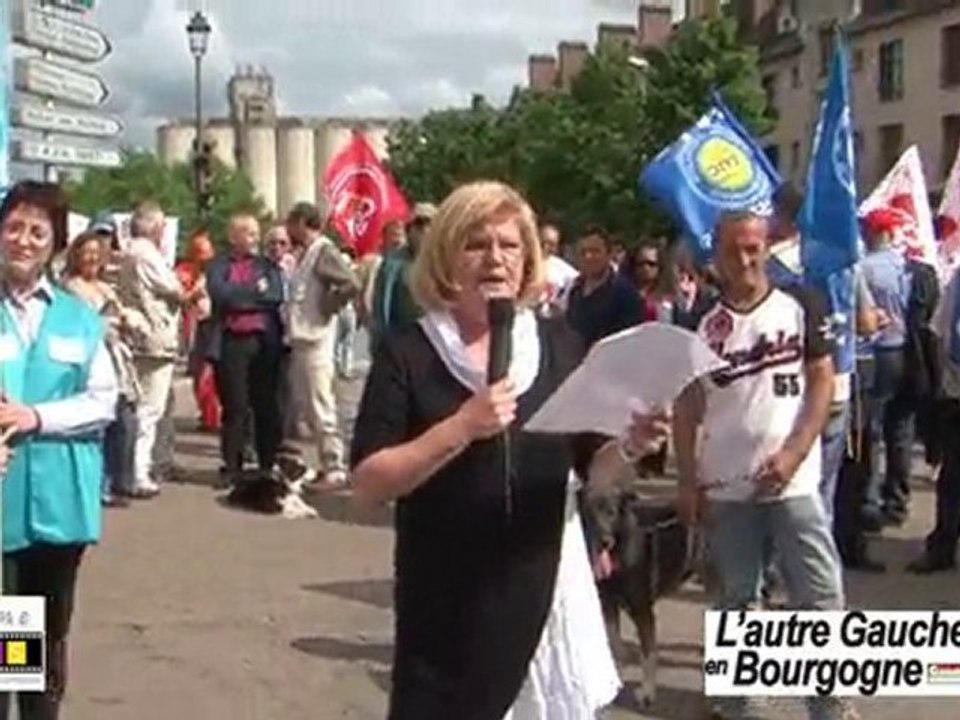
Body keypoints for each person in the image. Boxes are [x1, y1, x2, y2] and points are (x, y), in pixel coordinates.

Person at [350, 180, 669, 720]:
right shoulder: (409, 353)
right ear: (446, 258)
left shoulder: (558, 344)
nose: (494, 258)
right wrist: (460, 428)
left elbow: (593, 470)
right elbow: (367, 483)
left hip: (541, 590)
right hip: (446, 599)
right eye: (476, 244)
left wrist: (630, 445)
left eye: (509, 245)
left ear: (527, 260)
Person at [673, 210, 854, 720]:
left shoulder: (801, 305)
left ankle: (829, 703)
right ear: (717, 254)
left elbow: (822, 382)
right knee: (737, 598)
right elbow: (687, 406)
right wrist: (686, 480)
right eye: (734, 249)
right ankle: (742, 705)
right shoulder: (700, 323)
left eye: (753, 247)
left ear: (767, 248)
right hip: (727, 485)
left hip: (793, 483)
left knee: (819, 595)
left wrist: (795, 451)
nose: (745, 259)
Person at [0, 181, 119, 720]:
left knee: (46, 637)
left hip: (59, 506)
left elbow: (103, 400)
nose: (23, 240)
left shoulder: (78, 317)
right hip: (5, 509)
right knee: (12, 639)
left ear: (55, 244)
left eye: (37, 231)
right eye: (13, 227)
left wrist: (37, 416)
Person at [117, 201, 202, 496]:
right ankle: (138, 473)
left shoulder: (127, 252)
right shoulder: (147, 254)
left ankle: (131, 468)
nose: (164, 231)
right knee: (149, 409)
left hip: (137, 334)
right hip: (154, 336)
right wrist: (196, 289)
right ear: (153, 226)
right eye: (162, 225)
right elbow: (176, 291)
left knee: (138, 406)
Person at [62, 231, 141, 509]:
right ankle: (99, 485)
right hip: (89, 358)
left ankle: (119, 480)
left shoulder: (105, 287)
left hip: (116, 358)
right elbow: (79, 322)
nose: (93, 258)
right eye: (87, 252)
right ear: (76, 255)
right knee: (101, 424)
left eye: (97, 253)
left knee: (125, 421)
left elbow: (118, 315)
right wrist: (105, 323)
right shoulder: (70, 288)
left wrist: (127, 322)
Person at [285, 202, 360, 487]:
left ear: (302, 222)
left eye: (292, 224)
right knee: (309, 405)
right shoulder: (307, 254)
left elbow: (350, 283)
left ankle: (335, 466)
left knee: (321, 405)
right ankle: (326, 463)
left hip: (316, 338)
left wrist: (328, 306)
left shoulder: (323, 251)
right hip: (303, 337)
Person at [206, 213, 286, 479]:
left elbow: (274, 295)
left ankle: (267, 463)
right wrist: (254, 293)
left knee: (265, 404)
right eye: (249, 233)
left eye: (256, 233)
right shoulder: (218, 266)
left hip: (263, 343)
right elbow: (221, 295)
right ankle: (232, 466)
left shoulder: (267, 266)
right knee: (235, 406)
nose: (255, 238)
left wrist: (242, 296)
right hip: (232, 342)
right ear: (234, 237)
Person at [566, 225, 642, 350]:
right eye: (583, 252)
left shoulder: (625, 294)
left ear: (609, 254)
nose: (588, 257)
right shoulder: (575, 291)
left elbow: (631, 341)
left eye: (595, 251)